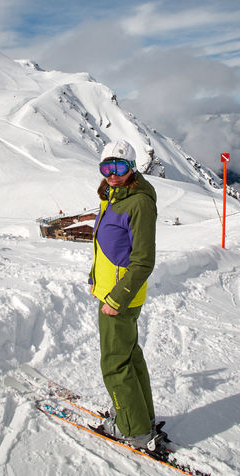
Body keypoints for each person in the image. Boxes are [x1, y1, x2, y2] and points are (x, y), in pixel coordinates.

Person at [89, 139, 162, 451]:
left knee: (115, 362)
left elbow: (143, 261)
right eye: (107, 167)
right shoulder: (116, 196)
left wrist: (116, 299)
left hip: (119, 299)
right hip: (112, 292)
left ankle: (133, 429)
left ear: (132, 168)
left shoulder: (138, 203)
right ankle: (140, 416)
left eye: (119, 167)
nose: (112, 174)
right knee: (129, 355)